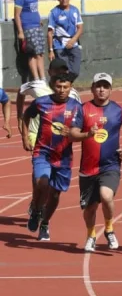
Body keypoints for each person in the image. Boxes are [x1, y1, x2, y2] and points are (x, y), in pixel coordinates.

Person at [69, 73, 122, 252]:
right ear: (92, 88)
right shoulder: (82, 109)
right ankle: (91, 235)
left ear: (111, 90)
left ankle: (109, 229)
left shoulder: (119, 110)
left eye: (105, 86)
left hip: (110, 165)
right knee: (90, 209)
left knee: (106, 196)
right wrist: (88, 134)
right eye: (98, 86)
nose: (102, 89)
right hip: (88, 167)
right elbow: (73, 134)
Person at [21, 73, 84, 241]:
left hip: (63, 157)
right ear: (52, 86)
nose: (62, 90)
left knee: (55, 194)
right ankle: (36, 210)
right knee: (42, 182)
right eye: (58, 87)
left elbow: (81, 132)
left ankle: (45, 223)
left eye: (65, 87)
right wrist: (25, 137)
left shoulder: (77, 107)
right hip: (42, 152)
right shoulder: (41, 102)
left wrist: (73, 133)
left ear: (71, 87)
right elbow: (26, 115)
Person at [16, 59, 80, 216]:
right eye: (57, 71)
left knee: (53, 188)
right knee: (40, 179)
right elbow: (20, 92)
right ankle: (36, 201)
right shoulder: (37, 86)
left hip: (60, 144)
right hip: (36, 135)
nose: (61, 74)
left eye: (64, 71)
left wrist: (75, 133)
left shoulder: (72, 94)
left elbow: (79, 118)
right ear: (50, 72)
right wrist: (20, 119)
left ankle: (40, 204)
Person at [47, 0, 83, 78]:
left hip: (74, 44)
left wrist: (73, 40)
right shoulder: (54, 12)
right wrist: (51, 50)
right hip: (59, 46)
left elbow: (80, 28)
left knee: (75, 71)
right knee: (64, 71)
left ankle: (67, 84)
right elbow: (50, 32)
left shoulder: (75, 10)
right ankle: (65, 85)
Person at [14, 0, 45, 81]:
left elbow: (34, 9)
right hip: (28, 29)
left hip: (37, 28)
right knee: (32, 54)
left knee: (40, 54)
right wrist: (20, 32)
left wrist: (38, 19)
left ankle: (43, 79)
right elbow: (17, 15)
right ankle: (36, 79)